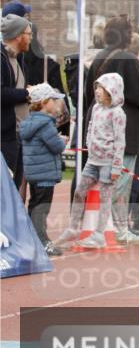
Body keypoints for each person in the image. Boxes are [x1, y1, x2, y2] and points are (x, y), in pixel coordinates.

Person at [85, 15, 139, 243]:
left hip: (100, 129)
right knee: (121, 182)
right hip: (125, 128)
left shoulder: (99, 58)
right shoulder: (129, 60)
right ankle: (117, 230)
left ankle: (108, 228)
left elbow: (88, 93)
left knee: (105, 180)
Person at [58, 73, 126, 249]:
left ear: (111, 91)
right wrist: (89, 144)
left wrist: (116, 166)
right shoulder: (96, 108)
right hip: (93, 160)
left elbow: (120, 141)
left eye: (101, 88)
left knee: (105, 197)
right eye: (96, 87)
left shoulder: (118, 113)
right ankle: (73, 227)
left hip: (108, 162)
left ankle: (98, 234)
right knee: (80, 190)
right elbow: (90, 127)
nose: (97, 91)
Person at [18, 82, 67, 256]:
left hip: (34, 174)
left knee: (35, 206)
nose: (57, 104)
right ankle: (42, 241)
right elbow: (56, 147)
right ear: (45, 102)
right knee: (42, 208)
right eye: (54, 100)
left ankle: (32, 238)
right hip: (45, 173)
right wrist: (63, 141)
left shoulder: (29, 123)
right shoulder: (46, 124)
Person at [1, 14, 32, 180]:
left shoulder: (18, 59)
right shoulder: (1, 59)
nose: (31, 38)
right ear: (18, 36)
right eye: (29, 34)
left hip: (19, 135)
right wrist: (27, 94)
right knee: (6, 191)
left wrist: (29, 93)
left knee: (15, 187)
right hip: (6, 138)